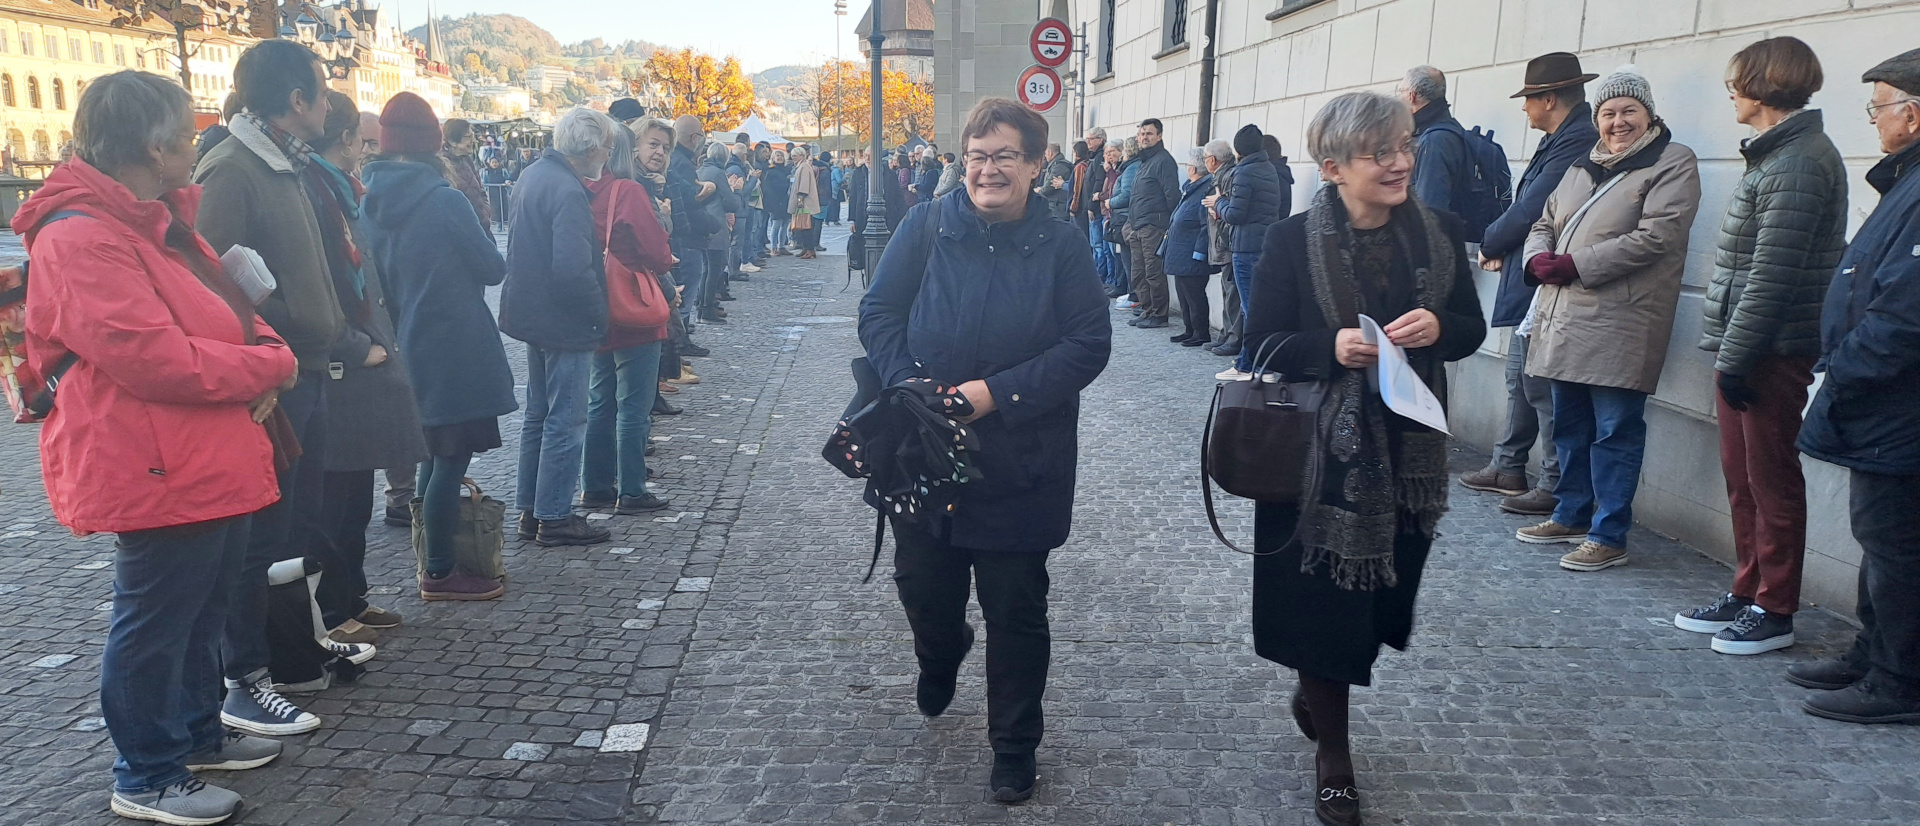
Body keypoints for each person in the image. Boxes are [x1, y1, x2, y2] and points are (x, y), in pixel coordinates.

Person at [22, 69, 299, 826]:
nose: (194, 144)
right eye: (184, 133)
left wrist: (263, 353)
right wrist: (269, 365)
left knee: (200, 609)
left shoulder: (155, 222)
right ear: (152, 145)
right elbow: (155, 358)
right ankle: (146, 773)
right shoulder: (84, 237)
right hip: (153, 459)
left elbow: (236, 312)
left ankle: (195, 738)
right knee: (156, 620)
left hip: (201, 451)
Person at [859, 96, 1111, 805]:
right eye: (976, 156)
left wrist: (994, 394)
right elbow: (878, 311)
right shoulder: (926, 225)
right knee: (923, 588)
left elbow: (1088, 344)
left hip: (1020, 458)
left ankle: (1014, 745)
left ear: (1036, 166)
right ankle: (942, 652)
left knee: (1016, 608)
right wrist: (906, 380)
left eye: (1005, 156)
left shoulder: (1062, 245)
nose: (988, 169)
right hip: (922, 448)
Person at [1243, 90, 1486, 826]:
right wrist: (1329, 348)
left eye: (1404, 145)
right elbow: (1258, 344)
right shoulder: (1291, 241)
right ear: (1334, 167)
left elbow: (1471, 328)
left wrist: (1440, 324)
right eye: (1381, 152)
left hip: (1409, 457)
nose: (1401, 162)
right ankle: (1335, 757)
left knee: (1381, 602)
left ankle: (1318, 683)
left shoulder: (1439, 233)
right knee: (1325, 608)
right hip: (1314, 460)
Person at [1674, 38, 1849, 655]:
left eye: (1738, 79)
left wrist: (1737, 357)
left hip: (1771, 349)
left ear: (1767, 83)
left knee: (1771, 479)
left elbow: (1772, 274)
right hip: (1748, 346)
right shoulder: (1777, 155)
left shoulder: (1800, 161)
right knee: (1743, 477)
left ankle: (1775, 607)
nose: (1731, 91)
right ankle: (1748, 590)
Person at [194, 38, 342, 738]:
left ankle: (289, 651)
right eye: (320, 88)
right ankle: (243, 679)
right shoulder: (234, 167)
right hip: (278, 377)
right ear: (296, 101)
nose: (328, 101)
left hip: (307, 368)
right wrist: (273, 338)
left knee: (290, 527)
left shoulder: (282, 162)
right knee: (257, 540)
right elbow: (211, 279)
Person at [1515, 66, 1702, 572]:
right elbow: (1544, 221)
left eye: (1628, 112)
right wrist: (1536, 257)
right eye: (1609, 112)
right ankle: (1572, 513)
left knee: (1615, 430)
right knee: (1570, 428)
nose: (1618, 122)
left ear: (1649, 114)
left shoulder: (1672, 161)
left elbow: (1659, 236)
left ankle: (1609, 532)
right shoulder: (1583, 163)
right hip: (1564, 318)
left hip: (1622, 321)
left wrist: (1576, 264)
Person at [1790, 47, 1920, 723]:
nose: (1874, 120)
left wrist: (1840, 371)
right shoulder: (1907, 180)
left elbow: (1905, 314)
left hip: (1899, 406)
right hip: (1884, 403)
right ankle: (1873, 653)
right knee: (1882, 537)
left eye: (1880, 106)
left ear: (1915, 113)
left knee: (1897, 544)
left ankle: (1898, 681)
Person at [362, 95, 514, 599]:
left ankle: (431, 559)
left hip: (409, 340)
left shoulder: (369, 201)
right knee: (450, 460)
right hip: (455, 343)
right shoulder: (445, 200)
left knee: (433, 455)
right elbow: (493, 267)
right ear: (434, 146)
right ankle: (441, 571)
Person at [304, 90, 427, 639]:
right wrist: (355, 345)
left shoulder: (342, 190)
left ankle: (351, 599)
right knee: (334, 499)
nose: (367, 153)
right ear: (348, 139)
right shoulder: (317, 189)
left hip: (362, 348)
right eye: (364, 142)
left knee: (353, 495)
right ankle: (335, 609)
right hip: (341, 358)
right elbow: (317, 284)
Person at [1459, 52, 1600, 517]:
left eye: (1528, 100)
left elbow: (1535, 207)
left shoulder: (1576, 137)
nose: (1524, 109)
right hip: (1536, 271)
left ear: (1549, 98)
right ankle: (1508, 465)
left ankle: (1554, 482)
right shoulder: (1563, 135)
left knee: (1538, 381)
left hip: (1549, 276)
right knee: (1521, 375)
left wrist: (1491, 240)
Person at [498, 107, 617, 548]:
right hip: (563, 319)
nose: (608, 153)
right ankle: (554, 514)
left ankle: (532, 509)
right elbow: (571, 268)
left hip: (533, 313)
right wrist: (596, 313)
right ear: (589, 148)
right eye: (606, 145)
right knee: (566, 419)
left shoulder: (534, 175)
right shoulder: (568, 190)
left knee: (539, 414)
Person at [583, 121, 674, 516]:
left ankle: (596, 485)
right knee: (634, 405)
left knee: (599, 400)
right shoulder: (629, 191)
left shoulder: (583, 189)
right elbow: (656, 251)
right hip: (633, 305)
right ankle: (633, 489)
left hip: (595, 305)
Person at [1212, 124, 1286, 379]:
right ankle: (1257, 363)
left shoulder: (1244, 172)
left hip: (1246, 247)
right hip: (1263, 243)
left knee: (1251, 309)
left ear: (1238, 150)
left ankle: (1250, 365)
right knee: (1259, 307)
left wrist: (1218, 203)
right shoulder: (1268, 168)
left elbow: (1235, 214)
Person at [1124, 118, 1178, 328]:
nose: (1144, 137)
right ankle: (1147, 310)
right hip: (1137, 225)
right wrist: (1129, 225)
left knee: (1154, 272)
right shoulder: (1145, 161)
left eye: (1149, 134)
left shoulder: (1163, 161)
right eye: (1141, 134)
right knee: (1138, 273)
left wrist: (1164, 224)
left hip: (1153, 225)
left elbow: (1172, 195)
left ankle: (1159, 314)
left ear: (1159, 136)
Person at [1399, 65, 1472, 213]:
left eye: (1401, 91)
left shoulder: (1433, 141)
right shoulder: (1453, 130)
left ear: (1411, 96)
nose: (1399, 97)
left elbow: (1429, 211)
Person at [1165, 146, 1218, 346]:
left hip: (1192, 252)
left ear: (1193, 169)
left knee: (1194, 294)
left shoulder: (1205, 188)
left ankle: (1200, 332)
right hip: (1181, 250)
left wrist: (1199, 251)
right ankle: (1189, 330)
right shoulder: (1191, 187)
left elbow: (1206, 225)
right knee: (1183, 292)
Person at [1202, 140, 1241, 357]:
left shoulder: (1227, 176)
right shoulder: (1225, 174)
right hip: (1226, 241)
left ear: (1212, 160)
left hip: (1228, 242)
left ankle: (1232, 337)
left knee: (1232, 292)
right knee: (1228, 290)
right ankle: (1226, 335)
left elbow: (1229, 211)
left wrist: (1216, 208)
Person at [698, 141, 739, 317]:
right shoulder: (718, 173)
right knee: (716, 266)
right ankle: (707, 307)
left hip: (701, 221)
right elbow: (731, 202)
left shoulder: (699, 169)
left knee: (706, 267)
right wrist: (735, 191)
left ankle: (702, 303)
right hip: (715, 222)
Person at [440, 118, 493, 241]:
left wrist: (485, 212)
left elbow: (480, 190)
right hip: (463, 235)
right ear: (453, 141)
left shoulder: (467, 160)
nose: (473, 140)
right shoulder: (442, 165)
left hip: (482, 228)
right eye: (468, 137)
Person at [790, 145, 823, 259]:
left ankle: (809, 249)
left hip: (804, 202)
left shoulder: (803, 167)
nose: (793, 157)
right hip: (804, 201)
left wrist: (800, 200)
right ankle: (806, 248)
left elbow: (803, 185)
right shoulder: (803, 166)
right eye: (792, 155)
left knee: (806, 227)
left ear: (802, 156)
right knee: (804, 227)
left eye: (795, 155)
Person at [764, 149, 793, 254]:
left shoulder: (786, 170)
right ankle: (774, 247)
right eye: (777, 156)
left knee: (785, 223)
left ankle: (781, 246)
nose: (780, 157)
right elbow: (769, 188)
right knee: (776, 223)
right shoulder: (771, 171)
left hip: (785, 200)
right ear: (773, 158)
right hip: (776, 201)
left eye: (781, 155)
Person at [1037, 142, 1074, 221]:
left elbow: (1049, 186)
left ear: (1050, 153)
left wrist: (1039, 191)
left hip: (1058, 206)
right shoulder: (1055, 165)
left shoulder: (1059, 166)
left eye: (1046, 153)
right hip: (1056, 205)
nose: (1045, 156)